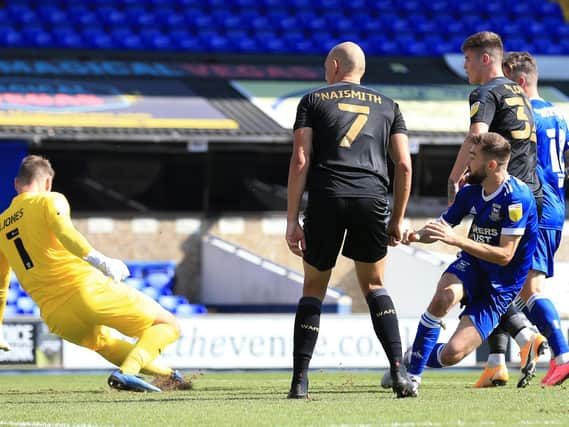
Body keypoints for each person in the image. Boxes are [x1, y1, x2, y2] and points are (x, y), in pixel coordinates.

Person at [285, 41, 415, 398]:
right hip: (372, 197)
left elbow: (300, 160)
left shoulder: (312, 100)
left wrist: (292, 220)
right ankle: (399, 372)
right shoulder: (389, 106)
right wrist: (398, 218)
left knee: (313, 288)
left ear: (334, 66)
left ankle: (300, 381)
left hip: (327, 196)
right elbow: (404, 165)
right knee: (374, 285)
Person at [0, 155, 189, 392]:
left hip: (56, 317)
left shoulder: (1, 225)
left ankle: (171, 377)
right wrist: (101, 260)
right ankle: (126, 373)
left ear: (17, 184)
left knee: (104, 343)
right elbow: (65, 232)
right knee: (169, 324)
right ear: (48, 182)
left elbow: (1, 284)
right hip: (85, 291)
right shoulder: (49, 200)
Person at [447, 31, 546, 389]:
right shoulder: (517, 90)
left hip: (502, 195)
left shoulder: (485, 93)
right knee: (493, 278)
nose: (465, 66)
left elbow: (477, 137)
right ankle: (498, 362)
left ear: (486, 58)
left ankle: (526, 337)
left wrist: (456, 176)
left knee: (477, 269)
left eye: (469, 59)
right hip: (529, 193)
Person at [403, 132, 538, 395]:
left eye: (472, 157)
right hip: (472, 266)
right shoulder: (470, 191)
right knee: (443, 297)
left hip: (502, 284)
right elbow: (444, 226)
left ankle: (410, 358)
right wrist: (416, 236)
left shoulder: (516, 198)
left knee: (452, 354)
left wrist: (457, 241)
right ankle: (411, 378)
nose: (467, 162)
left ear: (491, 165)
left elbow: (505, 255)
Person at [477, 52, 569, 387]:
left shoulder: (526, 115)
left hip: (535, 205)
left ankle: (562, 356)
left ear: (518, 81)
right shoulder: (559, 115)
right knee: (499, 280)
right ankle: (496, 362)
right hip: (554, 205)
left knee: (530, 289)